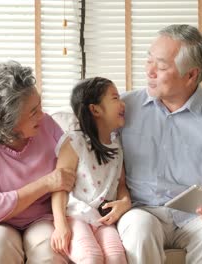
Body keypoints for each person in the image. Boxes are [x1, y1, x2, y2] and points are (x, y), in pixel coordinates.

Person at [118, 24, 202, 263]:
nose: (150, 71)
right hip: (141, 211)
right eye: (149, 60)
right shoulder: (122, 109)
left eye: (162, 65)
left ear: (191, 75)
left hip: (194, 217)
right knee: (139, 228)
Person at [0, 60, 76, 263]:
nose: (42, 115)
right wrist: (46, 183)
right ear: (8, 122)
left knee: (49, 248)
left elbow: (66, 173)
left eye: (40, 106)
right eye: (33, 112)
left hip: (38, 217)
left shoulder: (46, 125)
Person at [51, 77, 130, 264]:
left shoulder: (117, 148)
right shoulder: (74, 143)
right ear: (95, 109)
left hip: (102, 220)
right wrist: (60, 224)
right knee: (91, 257)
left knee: (117, 256)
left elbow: (121, 185)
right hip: (75, 216)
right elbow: (59, 188)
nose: (123, 103)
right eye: (115, 98)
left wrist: (125, 202)